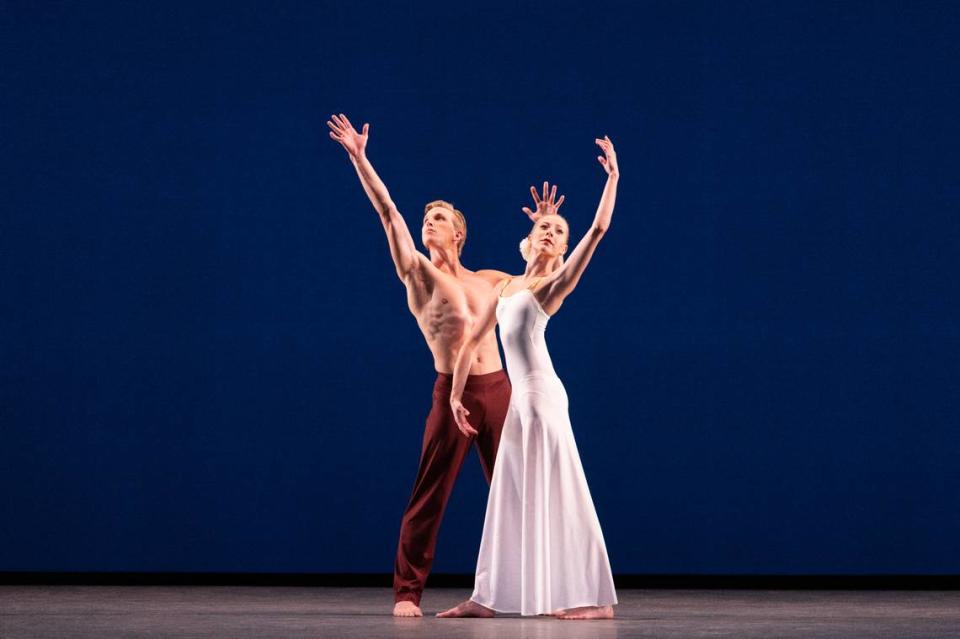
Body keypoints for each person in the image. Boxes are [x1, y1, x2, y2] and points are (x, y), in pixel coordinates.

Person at [326, 113, 512, 617]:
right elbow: (388, 213)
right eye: (426, 217)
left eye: (439, 218)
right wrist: (361, 159)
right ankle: (408, 592)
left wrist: (544, 229)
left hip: (500, 389)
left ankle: (523, 589)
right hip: (453, 393)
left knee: (514, 493)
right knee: (430, 494)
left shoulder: (489, 279)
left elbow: (546, 284)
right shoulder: (419, 274)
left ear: (459, 234)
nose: (428, 221)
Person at [438, 136, 620, 620]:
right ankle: (489, 596)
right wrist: (456, 395)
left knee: (561, 489)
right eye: (543, 226)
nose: (550, 232)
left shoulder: (551, 286)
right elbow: (473, 338)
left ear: (564, 248)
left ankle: (596, 601)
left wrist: (612, 179)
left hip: (542, 397)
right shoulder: (506, 285)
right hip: (520, 402)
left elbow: (599, 228)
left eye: (558, 231)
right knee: (509, 498)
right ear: (528, 235)